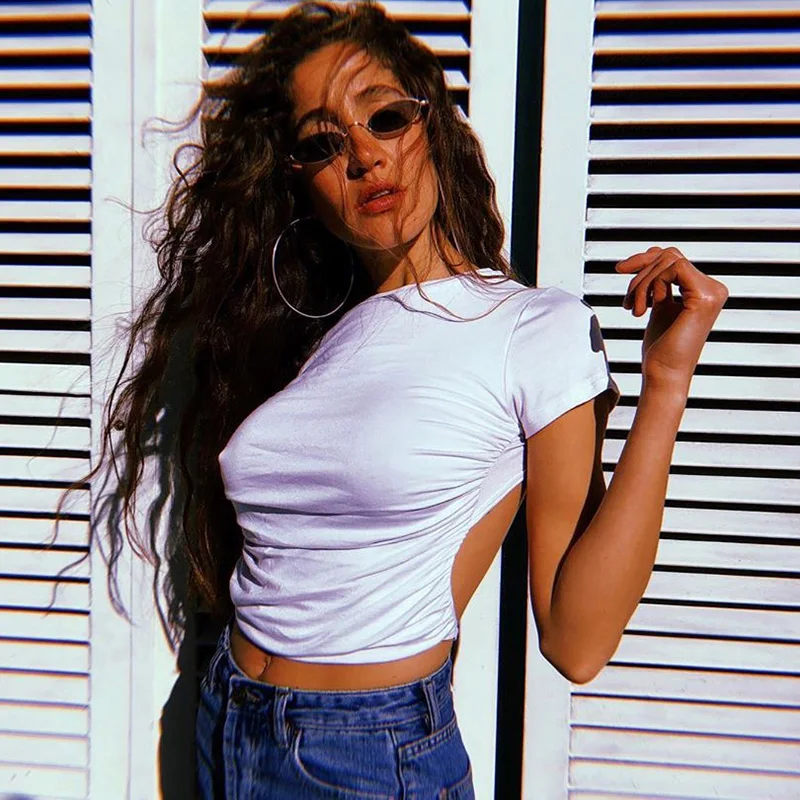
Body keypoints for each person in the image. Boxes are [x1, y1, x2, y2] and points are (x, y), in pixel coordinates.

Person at [79, 1, 728, 797]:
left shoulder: (531, 329)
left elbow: (577, 640)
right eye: (322, 143)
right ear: (300, 180)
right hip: (225, 717)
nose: (363, 156)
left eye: (384, 117)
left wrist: (666, 382)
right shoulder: (317, 336)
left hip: (365, 754)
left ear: (433, 126)